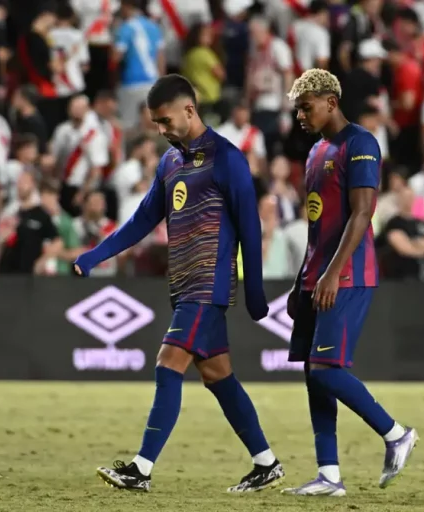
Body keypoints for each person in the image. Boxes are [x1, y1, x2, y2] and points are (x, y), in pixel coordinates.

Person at [73, 74, 284, 493]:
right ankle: (266, 462)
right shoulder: (170, 162)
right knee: (218, 376)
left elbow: (250, 227)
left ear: (190, 110)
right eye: (155, 123)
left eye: (166, 121)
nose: (161, 130)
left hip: (209, 285)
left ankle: (141, 469)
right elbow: (142, 220)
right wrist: (96, 255)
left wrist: (256, 290)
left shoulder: (227, 158)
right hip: (184, 286)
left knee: (168, 363)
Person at [281, 69, 417, 497]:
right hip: (318, 275)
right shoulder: (316, 150)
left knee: (326, 369)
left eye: (307, 107)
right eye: (298, 109)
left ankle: (395, 433)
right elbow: (318, 224)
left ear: (331, 102)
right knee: (313, 372)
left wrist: (333, 272)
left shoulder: (359, 143)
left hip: (348, 275)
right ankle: (329, 476)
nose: (301, 115)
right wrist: (303, 279)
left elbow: (362, 213)